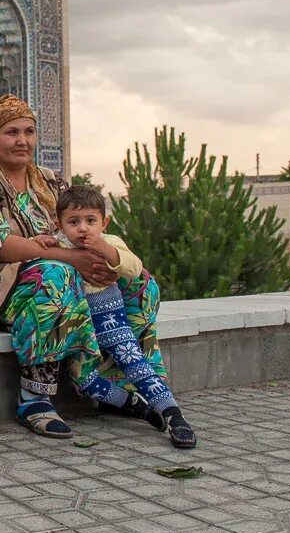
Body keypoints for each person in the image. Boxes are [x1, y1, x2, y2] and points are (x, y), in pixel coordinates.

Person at [0, 94, 167, 440]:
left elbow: (79, 231)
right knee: (55, 275)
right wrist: (71, 260)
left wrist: (103, 263)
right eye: (11, 133)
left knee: (139, 282)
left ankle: (114, 383)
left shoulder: (50, 183)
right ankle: (34, 396)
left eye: (29, 131)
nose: (22, 141)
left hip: (64, 271)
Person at [49, 185, 196, 448]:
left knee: (135, 364)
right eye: (73, 222)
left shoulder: (111, 242)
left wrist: (105, 249)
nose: (83, 228)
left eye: (90, 221)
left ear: (104, 222)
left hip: (111, 321)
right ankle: (132, 404)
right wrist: (42, 243)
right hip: (81, 330)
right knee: (83, 379)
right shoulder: (60, 245)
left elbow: (134, 267)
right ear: (59, 224)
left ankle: (173, 415)